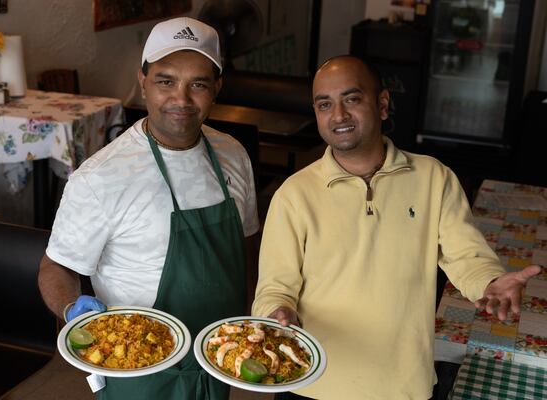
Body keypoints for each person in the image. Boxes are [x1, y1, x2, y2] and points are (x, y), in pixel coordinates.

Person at [251, 55, 542, 400]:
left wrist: (490, 281)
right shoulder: (294, 195)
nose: (338, 115)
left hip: (402, 386)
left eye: (352, 99)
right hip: (312, 383)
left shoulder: (433, 178)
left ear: (383, 103)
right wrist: (277, 312)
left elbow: (465, 255)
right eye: (324, 104)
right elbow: (275, 287)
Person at [38, 17, 259, 399]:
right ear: (142, 80)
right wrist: (72, 308)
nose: (182, 98)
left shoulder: (233, 155)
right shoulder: (101, 177)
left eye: (199, 84)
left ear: (217, 88)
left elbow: (247, 245)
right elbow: (56, 267)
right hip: (140, 369)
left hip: (221, 359)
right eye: (166, 81)